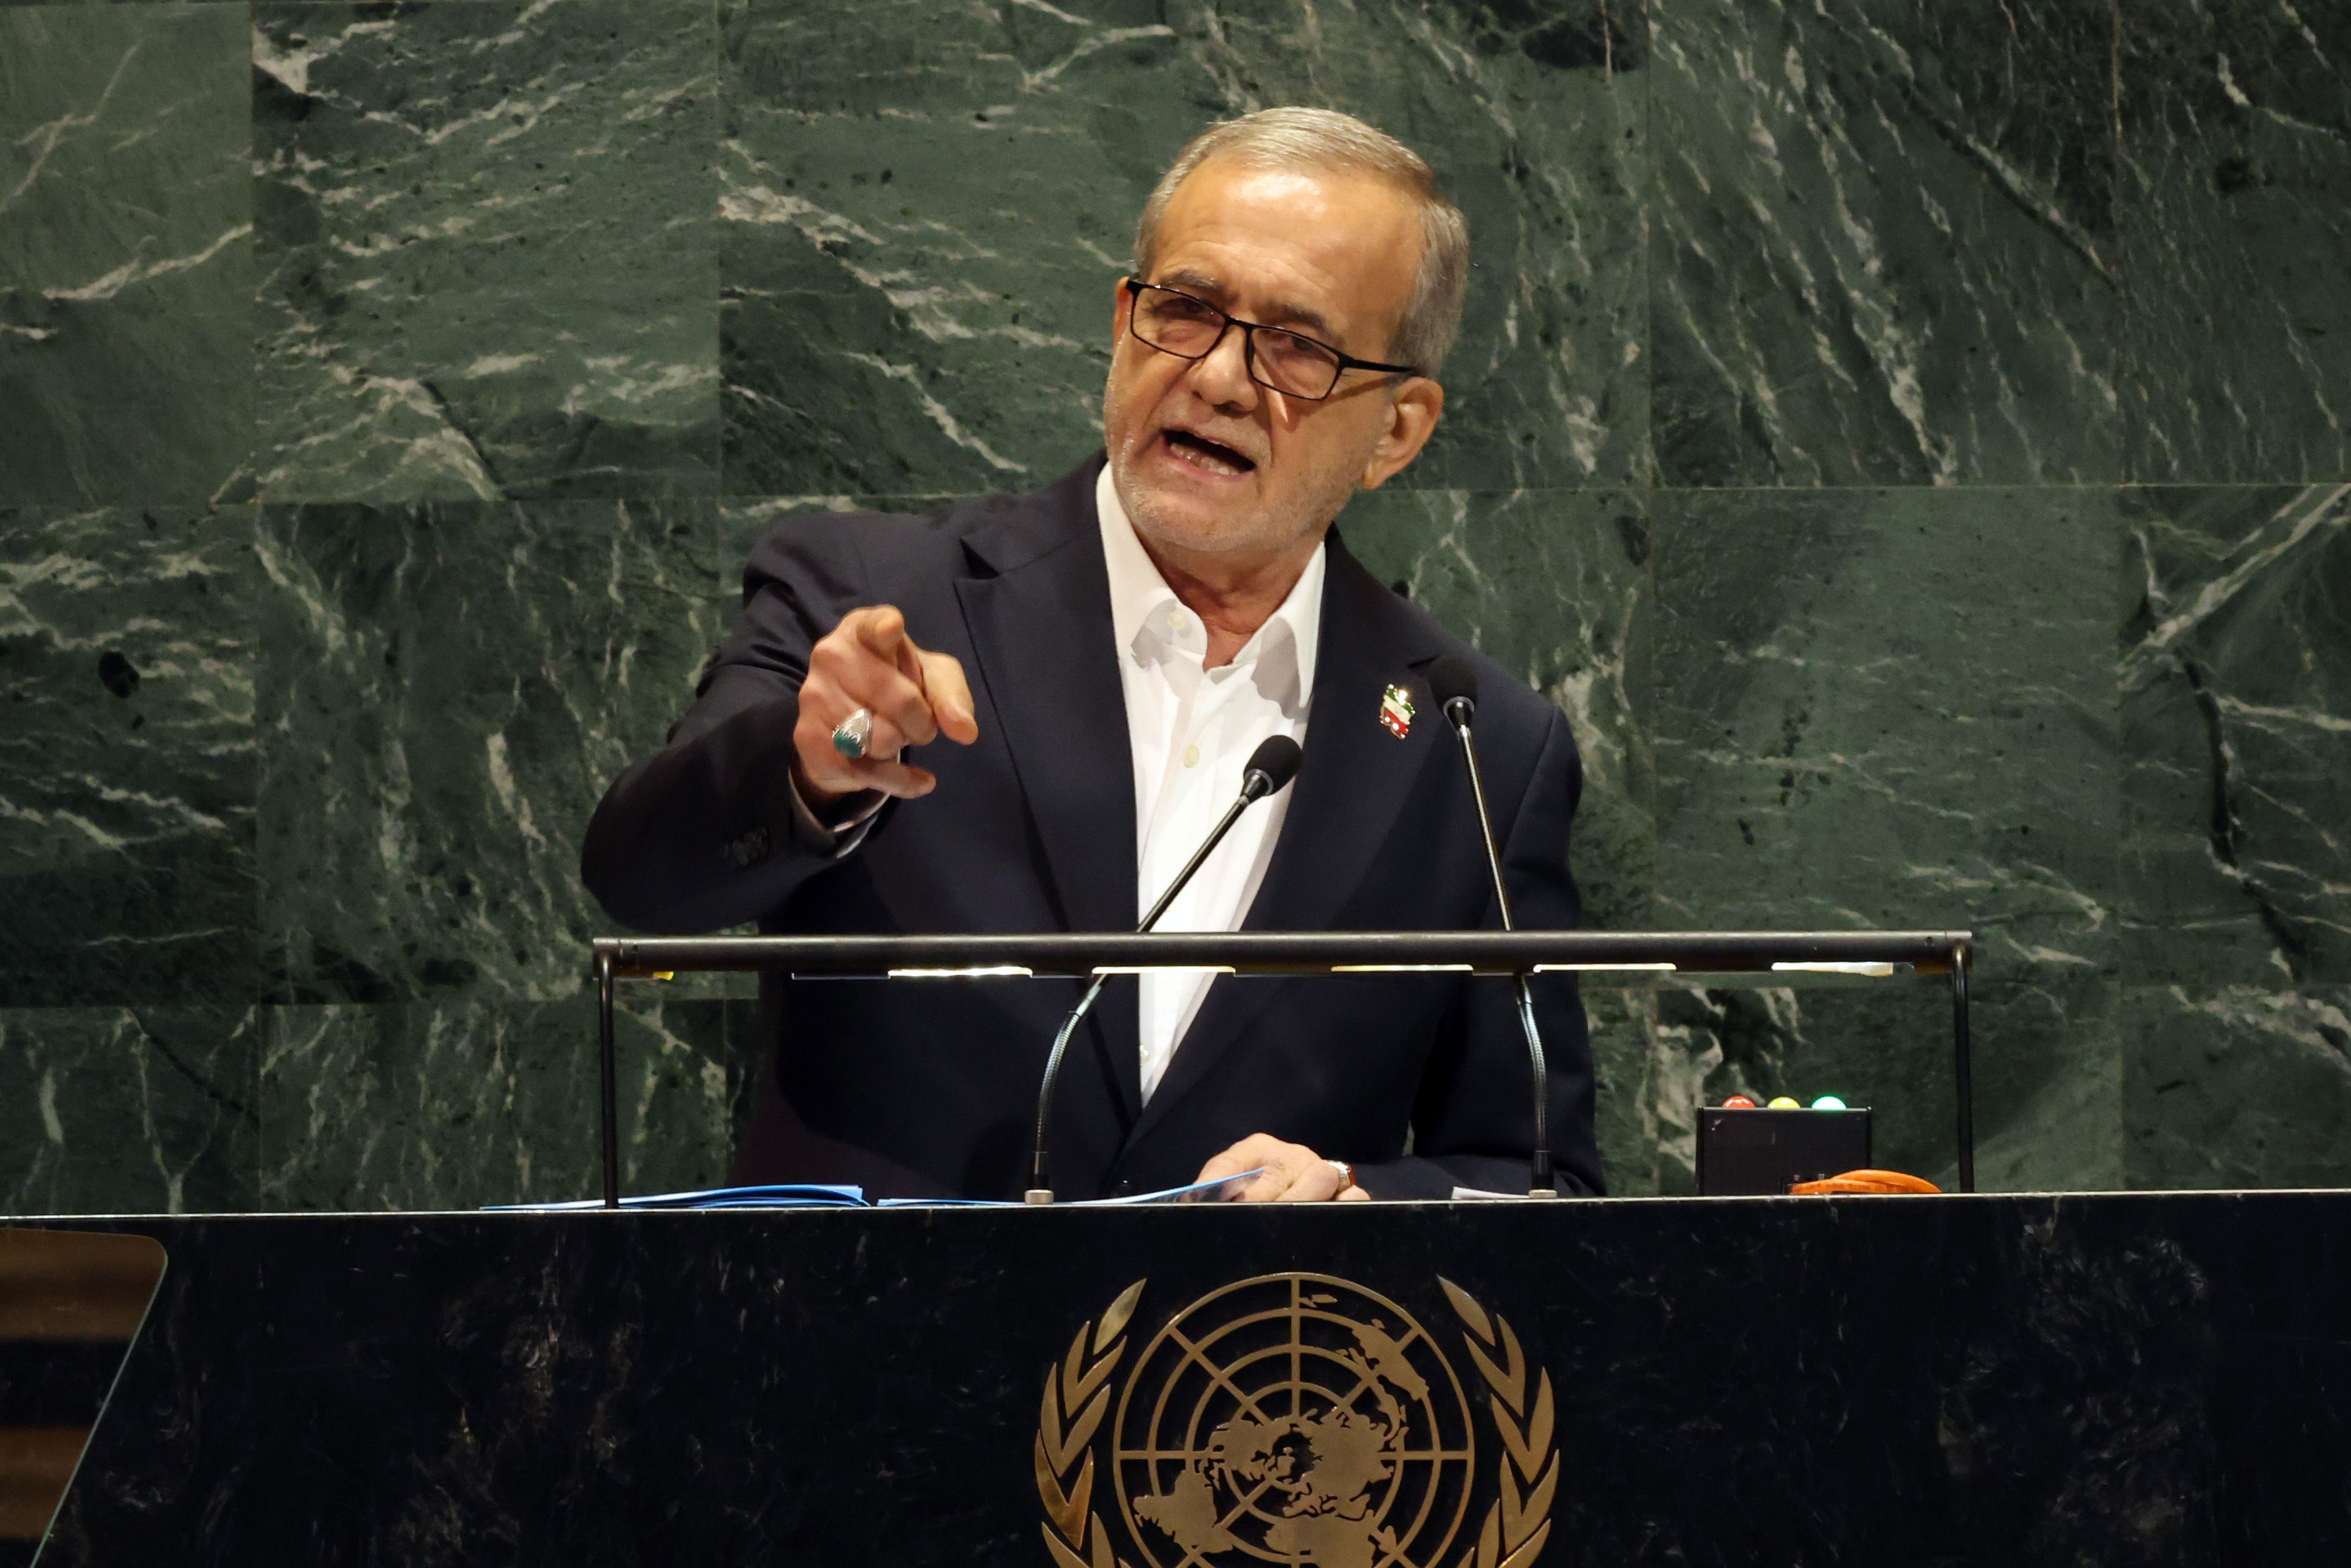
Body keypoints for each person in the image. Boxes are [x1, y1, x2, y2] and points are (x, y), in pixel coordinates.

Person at [582, 107, 1603, 1203]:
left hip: (1232, 1369)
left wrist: (1366, 1203)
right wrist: (813, 770)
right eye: (1185, 308)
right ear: (1124, 322)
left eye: (1296, 347)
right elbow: (642, 881)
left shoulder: (1477, 745)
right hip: (869, 1353)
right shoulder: (873, 598)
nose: (1215, 376)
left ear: (1397, 431)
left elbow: (1538, 1178)